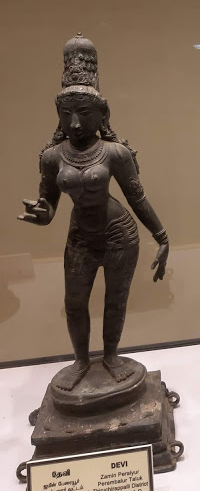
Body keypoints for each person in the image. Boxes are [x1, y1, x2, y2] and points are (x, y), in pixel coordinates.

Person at [19, 34, 169, 390]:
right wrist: (43, 213)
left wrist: (162, 237)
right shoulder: (52, 157)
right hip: (80, 238)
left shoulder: (115, 153)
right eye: (66, 114)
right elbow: (49, 203)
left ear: (103, 114)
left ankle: (112, 356)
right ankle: (82, 360)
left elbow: (137, 198)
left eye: (84, 114)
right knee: (74, 303)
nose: (74, 123)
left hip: (119, 235)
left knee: (115, 301)